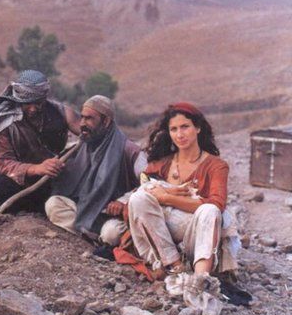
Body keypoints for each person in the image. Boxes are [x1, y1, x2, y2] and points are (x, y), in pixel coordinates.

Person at [126, 102, 238, 278]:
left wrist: (166, 198)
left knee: (210, 210)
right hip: (161, 236)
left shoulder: (216, 165)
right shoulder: (162, 163)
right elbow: (140, 195)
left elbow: (217, 204)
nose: (179, 135)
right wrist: (170, 192)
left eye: (185, 127)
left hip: (197, 234)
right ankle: (175, 266)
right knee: (139, 197)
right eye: (174, 129)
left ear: (198, 128)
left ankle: (200, 280)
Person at [0, 70, 83, 214]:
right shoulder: (5, 122)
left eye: (37, 103)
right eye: (26, 104)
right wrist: (37, 168)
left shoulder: (61, 112)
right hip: (23, 183)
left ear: (44, 98)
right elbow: (3, 163)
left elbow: (88, 132)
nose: (32, 109)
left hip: (55, 178)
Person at [45, 95, 146, 245]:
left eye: (89, 119)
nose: (82, 124)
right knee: (53, 204)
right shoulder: (82, 146)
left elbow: (150, 184)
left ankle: (97, 240)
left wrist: (123, 201)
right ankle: (88, 240)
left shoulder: (130, 151)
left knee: (111, 234)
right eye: (82, 117)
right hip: (85, 209)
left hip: (112, 216)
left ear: (106, 121)